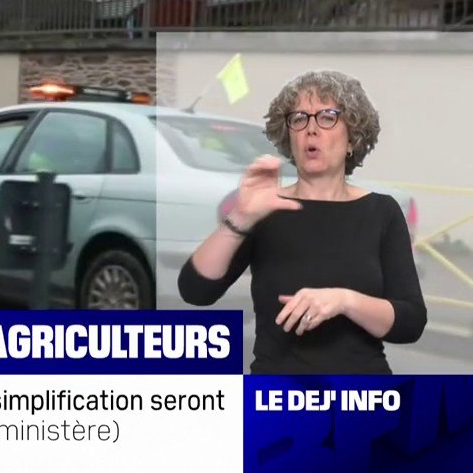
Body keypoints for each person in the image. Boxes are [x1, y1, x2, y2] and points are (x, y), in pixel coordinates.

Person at [178, 70, 426, 374]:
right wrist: (242, 215)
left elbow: (411, 321)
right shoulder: (266, 207)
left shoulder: (381, 212)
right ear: (289, 137)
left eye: (327, 117)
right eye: (299, 119)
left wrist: (344, 301)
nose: (311, 129)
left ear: (353, 137)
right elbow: (195, 291)